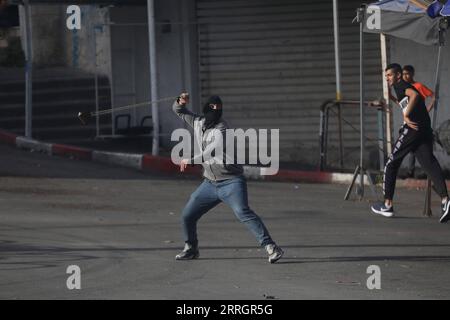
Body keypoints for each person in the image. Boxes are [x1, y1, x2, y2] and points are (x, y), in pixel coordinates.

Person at [172, 92, 284, 263]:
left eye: (218, 111)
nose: (215, 115)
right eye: (212, 110)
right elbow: (179, 111)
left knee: (242, 212)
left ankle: (271, 247)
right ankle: (191, 248)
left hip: (231, 182)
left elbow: (210, 152)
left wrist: (191, 160)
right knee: (188, 214)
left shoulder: (222, 128)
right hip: (209, 183)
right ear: (206, 110)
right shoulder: (197, 122)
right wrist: (180, 101)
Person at [371, 63, 450, 223]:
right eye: (386, 76)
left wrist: (406, 117)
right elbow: (407, 100)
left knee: (391, 163)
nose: (387, 78)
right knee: (429, 164)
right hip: (424, 129)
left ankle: (387, 205)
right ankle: (445, 201)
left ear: (398, 75)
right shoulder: (400, 88)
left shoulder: (401, 85)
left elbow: (415, 96)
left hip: (412, 129)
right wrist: (391, 100)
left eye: (389, 75)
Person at [402, 65, 436, 178]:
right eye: (403, 74)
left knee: (423, 147)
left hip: (420, 121)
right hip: (409, 121)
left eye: (407, 73)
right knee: (412, 148)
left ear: (412, 73)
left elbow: (433, 96)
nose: (405, 76)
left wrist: (428, 109)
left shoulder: (418, 86)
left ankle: (427, 172)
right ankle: (410, 171)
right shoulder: (404, 87)